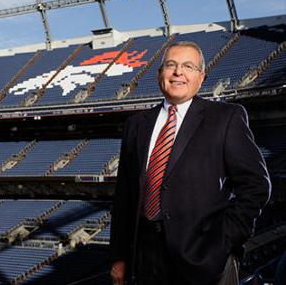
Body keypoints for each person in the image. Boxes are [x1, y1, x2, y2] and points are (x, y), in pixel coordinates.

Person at [110, 41, 271, 285]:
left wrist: (222, 241)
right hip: (142, 257)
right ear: (159, 74)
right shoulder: (136, 125)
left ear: (201, 76)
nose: (178, 73)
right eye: (171, 65)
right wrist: (119, 256)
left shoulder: (225, 118)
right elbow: (124, 196)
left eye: (188, 66)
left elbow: (256, 186)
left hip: (202, 257)